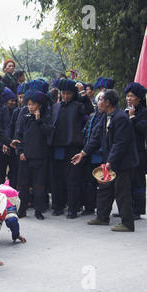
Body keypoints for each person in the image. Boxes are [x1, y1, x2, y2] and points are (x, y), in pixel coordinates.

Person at [71, 89, 138, 232]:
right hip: (111, 161)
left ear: (107, 103)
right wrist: (83, 153)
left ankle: (127, 224)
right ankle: (102, 217)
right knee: (105, 189)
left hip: (123, 163)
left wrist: (110, 161)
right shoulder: (104, 117)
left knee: (122, 192)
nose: (98, 103)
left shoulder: (121, 118)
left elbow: (120, 143)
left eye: (100, 100)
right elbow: (95, 139)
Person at [48, 79, 94, 219]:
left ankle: (73, 209)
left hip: (73, 147)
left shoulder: (78, 106)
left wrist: (82, 93)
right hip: (57, 147)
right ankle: (57, 206)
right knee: (57, 178)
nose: (65, 96)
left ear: (73, 94)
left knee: (72, 179)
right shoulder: (55, 107)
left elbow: (90, 109)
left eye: (68, 93)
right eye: (63, 93)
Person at [15, 90, 53, 220]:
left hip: (40, 156)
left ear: (40, 106)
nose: (30, 107)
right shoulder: (24, 118)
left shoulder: (46, 118)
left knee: (39, 184)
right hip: (25, 156)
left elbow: (47, 132)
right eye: (29, 104)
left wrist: (38, 120)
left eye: (33, 104)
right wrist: (20, 151)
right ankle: (22, 209)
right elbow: (18, 136)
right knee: (23, 184)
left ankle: (39, 210)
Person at [124, 82, 147, 219]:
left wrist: (133, 118)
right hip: (127, 151)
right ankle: (127, 208)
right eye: (127, 96)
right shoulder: (125, 111)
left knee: (138, 181)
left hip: (139, 152)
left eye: (132, 96)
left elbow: (142, 130)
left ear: (139, 98)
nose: (129, 99)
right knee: (126, 181)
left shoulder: (144, 113)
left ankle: (138, 210)